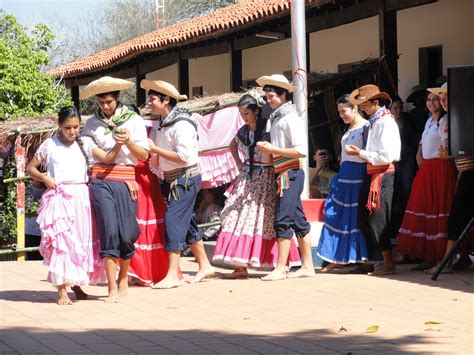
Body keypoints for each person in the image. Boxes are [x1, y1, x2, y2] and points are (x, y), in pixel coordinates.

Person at [213, 92, 301, 278]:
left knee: (259, 219)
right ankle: (239, 266)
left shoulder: (266, 130)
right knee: (233, 214)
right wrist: (239, 164)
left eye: (247, 113)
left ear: (256, 111)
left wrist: (265, 157)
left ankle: (273, 263)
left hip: (266, 176)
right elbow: (232, 145)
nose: (244, 117)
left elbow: (272, 155)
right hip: (247, 177)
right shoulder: (243, 132)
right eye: (241, 113)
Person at [27, 106, 105, 305]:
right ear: (59, 126)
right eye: (67, 128)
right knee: (62, 243)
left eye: (76, 127)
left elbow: (105, 158)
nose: (72, 131)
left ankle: (77, 285)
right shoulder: (49, 145)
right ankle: (62, 289)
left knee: (79, 242)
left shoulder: (83, 143)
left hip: (81, 197)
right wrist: (45, 178)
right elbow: (31, 168)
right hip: (60, 197)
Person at [80, 76, 149, 302]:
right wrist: (117, 146)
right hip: (101, 180)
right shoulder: (91, 124)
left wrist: (128, 143)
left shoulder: (134, 121)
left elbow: (144, 156)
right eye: (101, 103)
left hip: (126, 180)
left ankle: (123, 277)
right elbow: (101, 157)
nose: (105, 106)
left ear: (117, 98)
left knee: (128, 233)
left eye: (109, 101)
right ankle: (111, 287)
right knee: (109, 231)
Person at [142, 79, 215, 289]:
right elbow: (158, 159)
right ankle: (204, 265)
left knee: (173, 220)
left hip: (186, 178)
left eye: (153, 98)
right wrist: (154, 155)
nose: (149, 102)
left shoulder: (182, 124)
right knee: (187, 221)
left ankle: (173, 273)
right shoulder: (162, 124)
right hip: (173, 179)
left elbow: (183, 157)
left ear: (166, 100)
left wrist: (155, 151)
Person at [255, 74, 315, 281]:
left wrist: (273, 149)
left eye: (272, 96)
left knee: (283, 219)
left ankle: (281, 268)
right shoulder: (277, 117)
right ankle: (307, 265)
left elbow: (301, 150)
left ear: (282, 95)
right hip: (282, 172)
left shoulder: (289, 118)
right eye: (267, 96)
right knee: (298, 219)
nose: (269, 100)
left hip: (291, 172)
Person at [396, 88, 457, 270]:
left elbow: (446, 145)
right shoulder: (429, 121)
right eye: (429, 100)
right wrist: (419, 157)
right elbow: (422, 146)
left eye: (436, 100)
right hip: (427, 169)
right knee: (425, 209)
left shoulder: (446, 120)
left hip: (441, 168)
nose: (432, 103)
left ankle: (443, 259)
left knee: (440, 209)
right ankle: (429, 257)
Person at [346, 84, 401, 276]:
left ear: (375, 103)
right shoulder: (375, 122)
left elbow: (386, 155)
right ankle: (380, 258)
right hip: (373, 173)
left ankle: (388, 261)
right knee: (365, 216)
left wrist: (360, 152)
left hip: (382, 174)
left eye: (365, 105)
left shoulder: (386, 123)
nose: (362, 109)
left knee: (378, 219)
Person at [317, 95, 370, 272]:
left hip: (358, 174)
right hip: (344, 174)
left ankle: (363, 258)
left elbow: (370, 153)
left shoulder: (366, 127)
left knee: (355, 217)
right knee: (337, 214)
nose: (341, 115)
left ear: (355, 109)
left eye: (344, 111)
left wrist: (357, 153)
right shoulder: (348, 129)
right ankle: (338, 256)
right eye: (339, 112)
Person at [424, 83, 474, 273]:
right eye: (441, 97)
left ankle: (447, 261)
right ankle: (452, 259)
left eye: (446, 97)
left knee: (457, 217)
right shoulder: (452, 118)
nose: (443, 101)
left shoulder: (463, 117)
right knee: (459, 217)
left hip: (470, 171)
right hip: (464, 171)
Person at [127, 116, 169, 286]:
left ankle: (149, 270)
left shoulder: (148, 138)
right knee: (131, 225)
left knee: (146, 227)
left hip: (145, 183)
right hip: (129, 180)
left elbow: (154, 163)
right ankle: (132, 270)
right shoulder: (121, 139)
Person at [387, 97, 418, 249]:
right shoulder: (386, 123)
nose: (398, 111)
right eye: (395, 108)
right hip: (393, 162)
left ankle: (404, 226)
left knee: (406, 191)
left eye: (400, 107)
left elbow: (415, 140)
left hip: (407, 160)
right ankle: (393, 227)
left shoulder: (409, 120)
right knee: (393, 192)